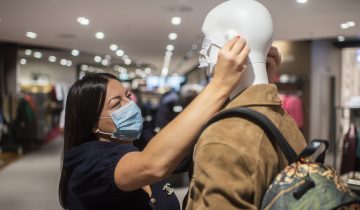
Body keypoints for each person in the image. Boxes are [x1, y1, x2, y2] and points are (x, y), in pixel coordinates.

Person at [59, 36, 251, 210]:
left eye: (128, 96)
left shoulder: (142, 142)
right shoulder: (86, 163)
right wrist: (219, 86)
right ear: (93, 124)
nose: (130, 105)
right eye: (117, 104)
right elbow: (153, 164)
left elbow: (192, 149)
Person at [185, 1, 307, 209]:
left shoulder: (225, 135)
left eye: (207, 39)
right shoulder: (282, 119)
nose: (203, 51)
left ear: (231, 41)